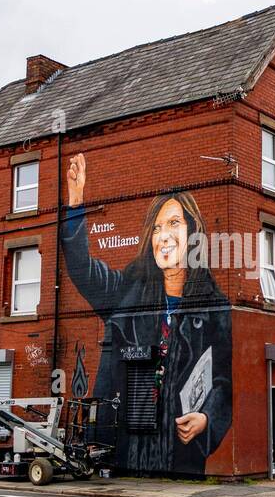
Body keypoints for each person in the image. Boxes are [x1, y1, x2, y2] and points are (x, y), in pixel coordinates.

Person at [60, 153, 232, 475]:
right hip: (124, 449)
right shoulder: (126, 292)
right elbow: (82, 270)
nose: (163, 235)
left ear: (193, 232)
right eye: (156, 228)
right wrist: (76, 202)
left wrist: (207, 417)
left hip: (180, 456)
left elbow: (223, 381)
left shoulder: (214, 307)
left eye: (173, 223)